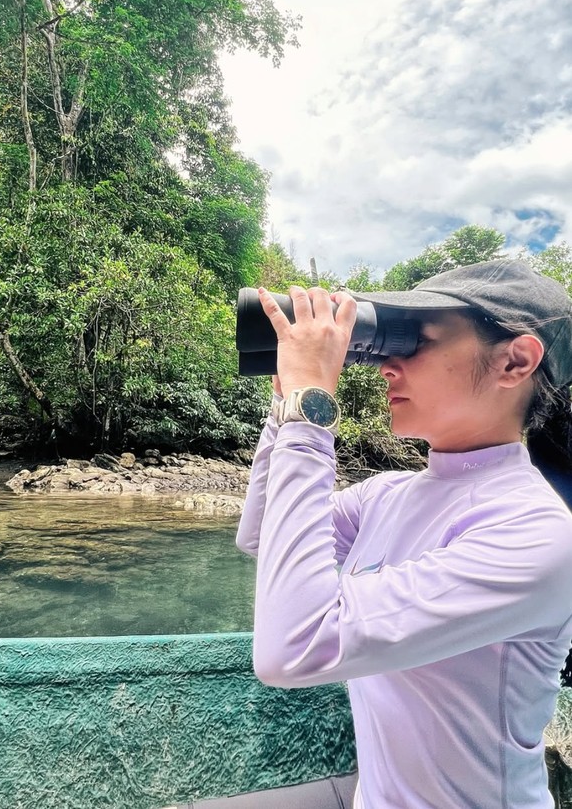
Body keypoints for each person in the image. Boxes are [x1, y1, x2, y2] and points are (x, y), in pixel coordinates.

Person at [233, 258, 572, 809]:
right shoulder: (386, 494)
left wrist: (311, 409)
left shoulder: (537, 534)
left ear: (516, 360)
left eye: (415, 340)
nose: (388, 365)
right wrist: (284, 401)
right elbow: (262, 535)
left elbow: (292, 649)